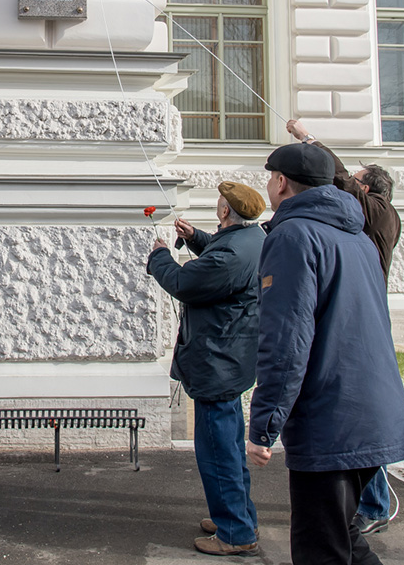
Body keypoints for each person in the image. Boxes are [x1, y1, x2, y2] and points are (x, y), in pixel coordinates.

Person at [247, 143, 404, 565]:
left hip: (332, 420)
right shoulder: (357, 237)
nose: (269, 185)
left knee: (321, 549)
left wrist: (264, 424)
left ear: (281, 182)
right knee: (345, 540)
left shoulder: (292, 235)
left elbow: (286, 338)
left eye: (270, 178)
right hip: (373, 411)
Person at [286, 118, 400, 534]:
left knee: (358, 417)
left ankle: (373, 506)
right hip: (359, 313)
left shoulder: (381, 213)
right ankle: (369, 503)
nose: (347, 183)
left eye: (356, 180)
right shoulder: (366, 218)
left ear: (368, 190)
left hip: (361, 319)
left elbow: (337, 178)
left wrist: (307, 139)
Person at [147, 182, 266, 557]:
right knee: (227, 445)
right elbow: (223, 263)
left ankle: (234, 530)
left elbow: (186, 281)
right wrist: (196, 237)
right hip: (230, 359)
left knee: (217, 451)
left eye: (220, 203)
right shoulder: (252, 238)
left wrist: (160, 256)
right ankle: (237, 516)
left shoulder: (232, 252)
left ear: (226, 211)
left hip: (218, 361)